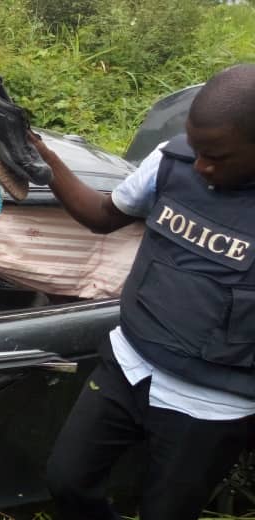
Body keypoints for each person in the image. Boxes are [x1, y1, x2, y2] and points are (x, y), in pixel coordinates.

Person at [33, 64, 255, 520]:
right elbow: (101, 216)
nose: (201, 166)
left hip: (211, 404)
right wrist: (43, 158)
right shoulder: (171, 161)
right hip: (129, 364)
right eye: (196, 149)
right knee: (66, 481)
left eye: (217, 156)